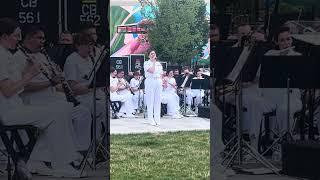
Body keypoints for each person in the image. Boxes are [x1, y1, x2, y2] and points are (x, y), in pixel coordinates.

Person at [0, 18, 83, 177]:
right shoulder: (1, 56)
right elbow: (8, 91)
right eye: (16, 36)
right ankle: (61, 164)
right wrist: (30, 75)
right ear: (4, 36)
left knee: (61, 109)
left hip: (16, 107)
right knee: (57, 114)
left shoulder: (6, 55)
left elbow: (15, 83)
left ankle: (38, 161)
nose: (19, 39)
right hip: (8, 112)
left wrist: (27, 69)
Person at [261, 26, 302, 135]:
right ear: (277, 42)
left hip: (292, 97)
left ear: (292, 40)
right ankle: (265, 137)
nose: (286, 43)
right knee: (255, 105)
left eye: (288, 39)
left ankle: (284, 141)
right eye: (282, 40)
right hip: (271, 97)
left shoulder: (298, 57)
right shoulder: (269, 54)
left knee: (284, 109)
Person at [144, 49, 163, 125]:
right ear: (148, 55)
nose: (153, 55)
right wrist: (154, 63)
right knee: (150, 100)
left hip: (158, 81)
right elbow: (151, 71)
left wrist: (162, 81)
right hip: (150, 81)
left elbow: (161, 73)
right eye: (151, 54)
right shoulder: (146, 63)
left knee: (157, 100)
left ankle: (157, 119)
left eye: (154, 53)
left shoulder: (159, 63)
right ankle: (150, 119)